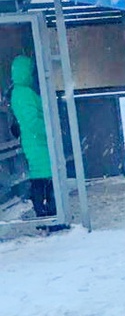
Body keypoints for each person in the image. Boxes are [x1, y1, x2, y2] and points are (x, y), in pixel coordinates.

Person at [9, 55, 56, 218]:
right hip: (37, 141)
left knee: (43, 176)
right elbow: (31, 120)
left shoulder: (20, 92)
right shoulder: (23, 93)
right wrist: (50, 131)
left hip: (35, 141)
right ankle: (47, 214)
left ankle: (48, 213)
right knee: (44, 177)